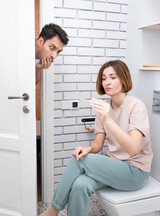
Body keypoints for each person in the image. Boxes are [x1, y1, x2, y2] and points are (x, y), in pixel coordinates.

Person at [41, 60, 153, 216]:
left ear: (123, 78)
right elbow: (98, 144)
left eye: (113, 77)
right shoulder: (103, 107)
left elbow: (133, 148)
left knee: (79, 161)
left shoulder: (136, 106)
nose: (107, 82)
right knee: (80, 184)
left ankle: (53, 209)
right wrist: (87, 149)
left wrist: (108, 119)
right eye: (104, 78)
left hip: (135, 171)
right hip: (114, 166)